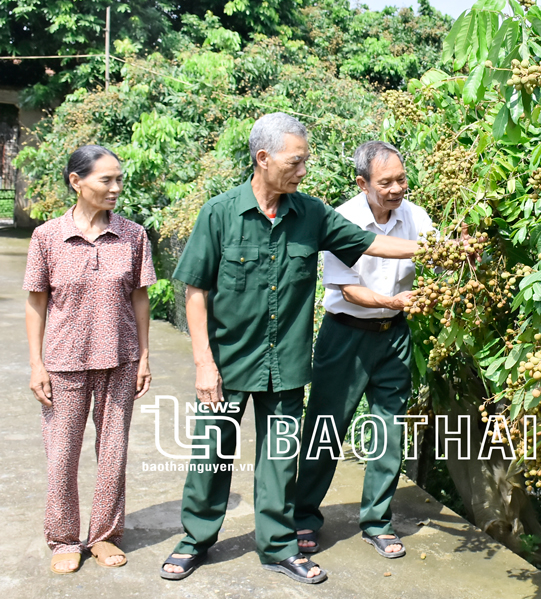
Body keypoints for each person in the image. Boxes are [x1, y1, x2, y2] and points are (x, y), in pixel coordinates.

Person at [159, 114, 420, 585]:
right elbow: (194, 291)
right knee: (211, 455)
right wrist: (203, 362)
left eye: (305, 162)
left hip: (287, 365)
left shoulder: (312, 214)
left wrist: (434, 249)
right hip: (228, 360)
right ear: (263, 159)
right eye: (295, 161)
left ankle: (278, 547)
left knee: (279, 462)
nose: (303, 171)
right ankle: (195, 539)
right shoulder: (219, 213)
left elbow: (370, 244)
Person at [295, 141, 433, 559]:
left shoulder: (416, 216)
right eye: (386, 182)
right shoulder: (343, 219)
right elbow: (347, 289)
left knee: (390, 430)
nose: (396, 189)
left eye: (402, 180)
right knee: (326, 428)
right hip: (346, 336)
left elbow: (441, 255)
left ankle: (377, 521)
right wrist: (391, 301)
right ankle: (303, 517)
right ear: (363, 183)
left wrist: (463, 253)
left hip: (394, 337)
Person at [24, 145, 155, 574]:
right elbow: (36, 304)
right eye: (106, 180)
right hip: (64, 361)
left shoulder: (133, 235)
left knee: (113, 450)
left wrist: (144, 356)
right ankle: (63, 537)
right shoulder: (47, 236)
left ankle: (103, 535)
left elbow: (140, 298)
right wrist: (36, 363)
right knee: (62, 453)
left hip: (120, 358)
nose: (116, 188)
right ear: (76, 182)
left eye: (119, 179)